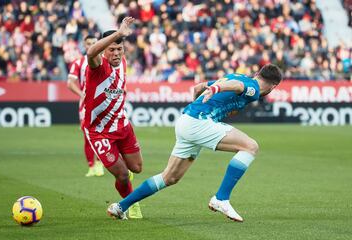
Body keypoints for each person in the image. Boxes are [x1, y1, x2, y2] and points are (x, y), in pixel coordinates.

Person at [108, 64, 283, 222]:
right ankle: (221, 198)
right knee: (250, 146)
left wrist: (203, 98)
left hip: (186, 120)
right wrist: (216, 89)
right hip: (200, 122)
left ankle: (120, 207)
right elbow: (237, 87)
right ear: (273, 86)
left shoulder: (237, 75)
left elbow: (199, 87)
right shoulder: (254, 88)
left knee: (169, 177)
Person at [83, 17, 143, 219]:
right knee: (123, 175)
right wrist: (119, 33)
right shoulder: (97, 67)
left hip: (122, 125)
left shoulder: (123, 63)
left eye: (120, 49)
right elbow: (91, 52)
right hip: (99, 132)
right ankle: (130, 204)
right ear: (104, 51)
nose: (116, 53)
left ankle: (125, 177)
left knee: (137, 168)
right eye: (112, 50)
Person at [67, 35, 104, 177]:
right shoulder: (79, 62)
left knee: (103, 134)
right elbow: (70, 83)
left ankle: (100, 163)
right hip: (86, 105)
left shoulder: (105, 60)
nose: (91, 46)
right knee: (88, 135)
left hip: (103, 103)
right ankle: (91, 166)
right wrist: (82, 94)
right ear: (85, 45)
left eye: (94, 43)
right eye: (89, 43)